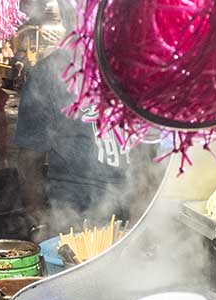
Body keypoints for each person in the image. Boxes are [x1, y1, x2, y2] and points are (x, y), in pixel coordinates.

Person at [14, 47, 157, 237]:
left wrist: (138, 219)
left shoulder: (139, 70)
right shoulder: (48, 75)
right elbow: (29, 161)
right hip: (71, 214)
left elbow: (146, 156)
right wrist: (39, 223)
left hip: (128, 207)